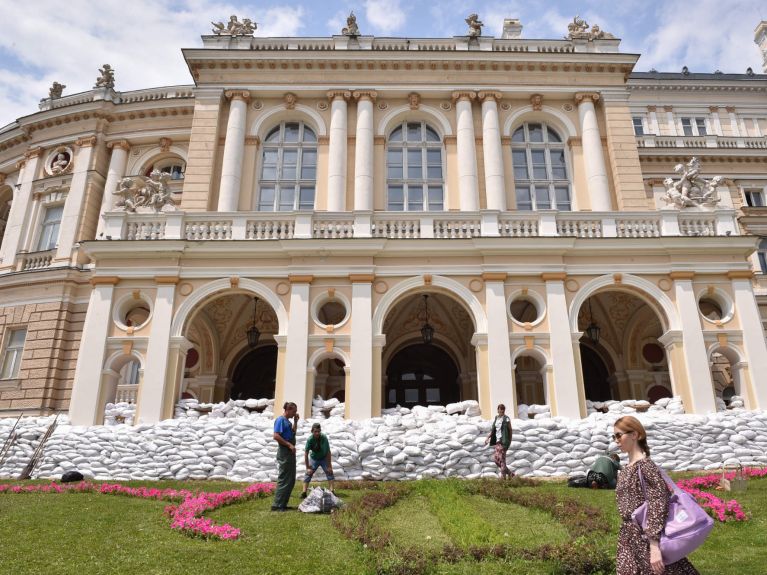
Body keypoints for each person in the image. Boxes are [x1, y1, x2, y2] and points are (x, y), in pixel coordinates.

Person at [614, 416, 699, 575]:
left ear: (635, 435)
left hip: (646, 537)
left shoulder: (646, 466)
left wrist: (654, 547)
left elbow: (658, 503)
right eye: (614, 436)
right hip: (629, 536)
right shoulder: (627, 468)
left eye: (619, 435)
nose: (616, 440)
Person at [271, 401, 299, 512]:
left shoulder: (288, 422)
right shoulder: (280, 420)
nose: (295, 413)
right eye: (294, 411)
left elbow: (293, 433)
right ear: (288, 409)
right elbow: (276, 435)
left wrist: (296, 422)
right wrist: (288, 444)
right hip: (285, 452)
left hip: (290, 452)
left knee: (290, 479)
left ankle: (283, 503)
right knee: (284, 479)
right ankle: (277, 505)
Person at [300, 422, 335, 498]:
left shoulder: (324, 438)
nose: (317, 433)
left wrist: (329, 466)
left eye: (318, 431)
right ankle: (304, 492)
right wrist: (307, 468)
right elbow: (306, 453)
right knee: (308, 474)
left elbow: (328, 452)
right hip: (314, 458)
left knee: (330, 472)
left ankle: (332, 491)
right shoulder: (310, 440)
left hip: (323, 458)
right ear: (312, 431)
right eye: (315, 431)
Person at [484, 403, 513, 480]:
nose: (501, 412)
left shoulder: (506, 419)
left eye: (502, 411)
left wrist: (509, 441)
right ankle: (510, 473)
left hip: (503, 442)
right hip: (497, 442)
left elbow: (510, 430)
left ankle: (503, 478)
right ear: (498, 410)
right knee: (496, 459)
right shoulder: (496, 418)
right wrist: (488, 438)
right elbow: (493, 430)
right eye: (500, 410)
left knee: (502, 460)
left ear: (504, 411)